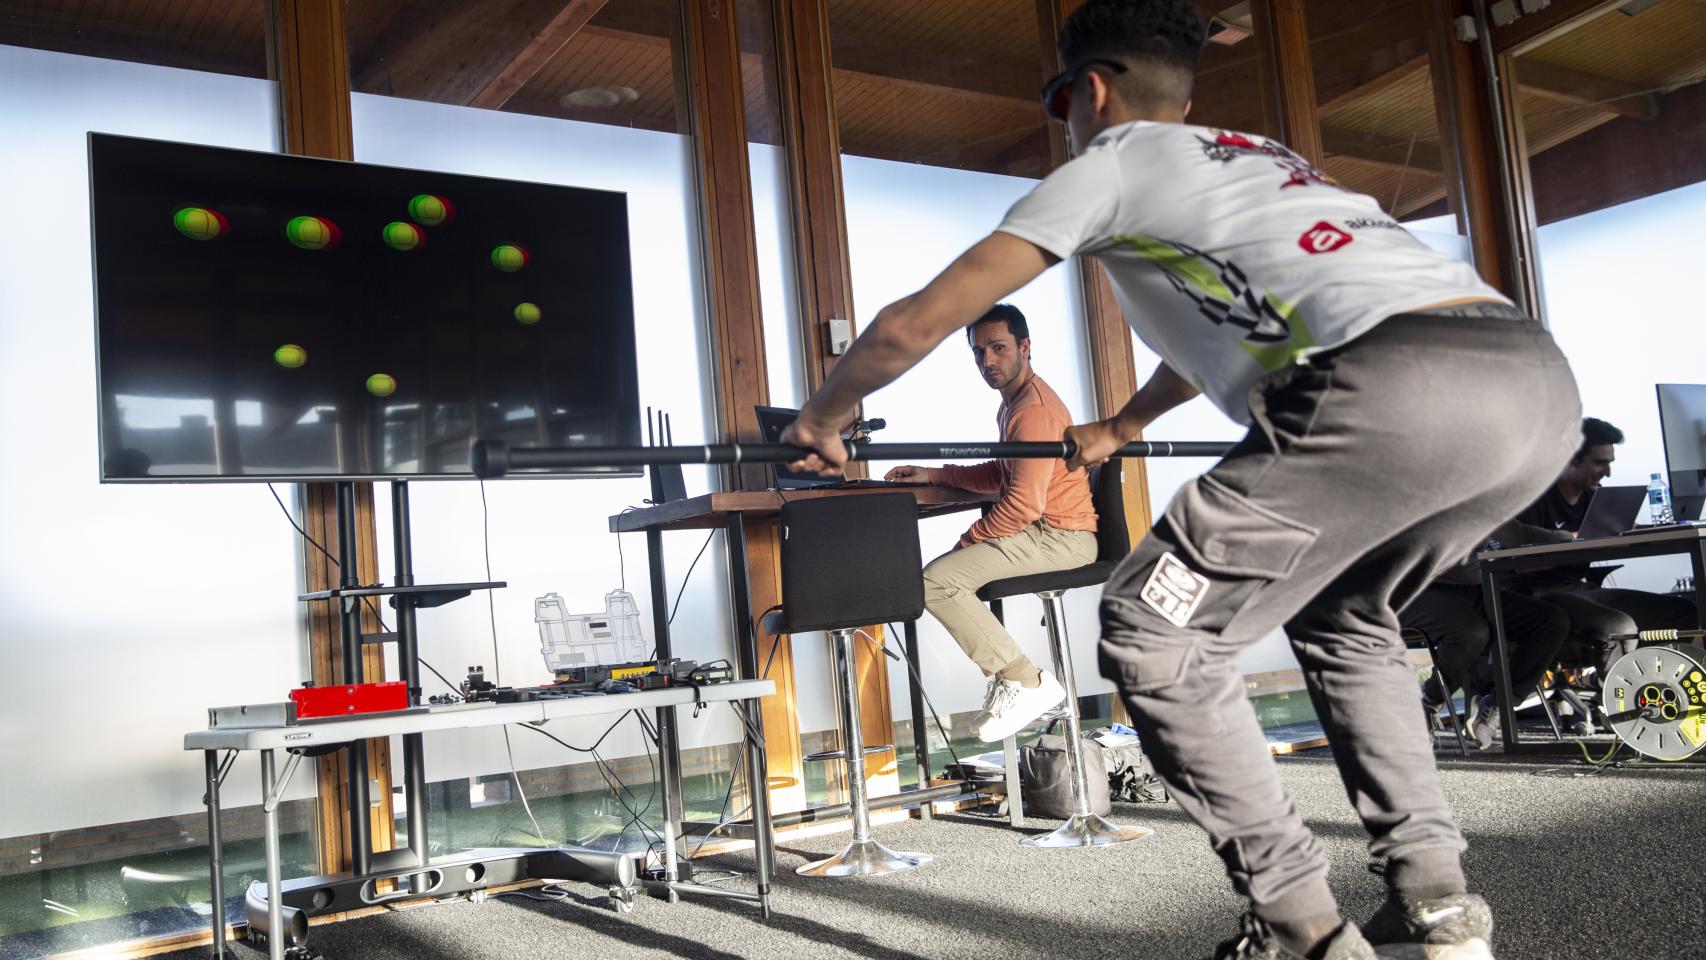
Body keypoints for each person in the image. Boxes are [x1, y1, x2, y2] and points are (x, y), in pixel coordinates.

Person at [780, 3, 1580, 957]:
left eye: (1058, 100)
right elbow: (1222, 328)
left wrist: (823, 421)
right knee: (1345, 613)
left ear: (1091, 91)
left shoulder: (1109, 164)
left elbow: (912, 322)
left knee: (1152, 627)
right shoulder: (1257, 159)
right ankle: (1434, 905)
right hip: (1532, 388)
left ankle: (1298, 930)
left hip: (1387, 382)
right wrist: (1124, 424)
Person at [883, 304, 1098, 742]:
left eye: (998, 349)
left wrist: (969, 540)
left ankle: (1027, 682)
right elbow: (1001, 476)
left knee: (936, 583)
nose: (988, 362)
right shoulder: (1015, 405)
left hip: (1062, 537)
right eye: (979, 352)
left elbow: (1021, 504)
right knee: (941, 578)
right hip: (1049, 532)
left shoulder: (1032, 412)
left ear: (1025, 347)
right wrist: (936, 474)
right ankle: (1015, 679)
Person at [1511, 417, 1695, 682]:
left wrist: (1649, 529)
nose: (1607, 472)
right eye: (1599, 462)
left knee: (1684, 612)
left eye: (1609, 463)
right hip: (1540, 596)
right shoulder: (1533, 497)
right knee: (1621, 626)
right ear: (1571, 459)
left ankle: (1665, 685)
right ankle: (1621, 701)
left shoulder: (1593, 494)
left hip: (1581, 589)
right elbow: (1521, 563)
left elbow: (1619, 527)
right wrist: (1576, 541)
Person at [1399, 519, 1571, 750]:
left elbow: (1508, 536)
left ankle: (1498, 704)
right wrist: (1571, 536)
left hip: (1472, 586)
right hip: (1415, 590)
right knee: (1471, 633)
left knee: (1550, 621)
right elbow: (1515, 534)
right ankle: (1428, 703)